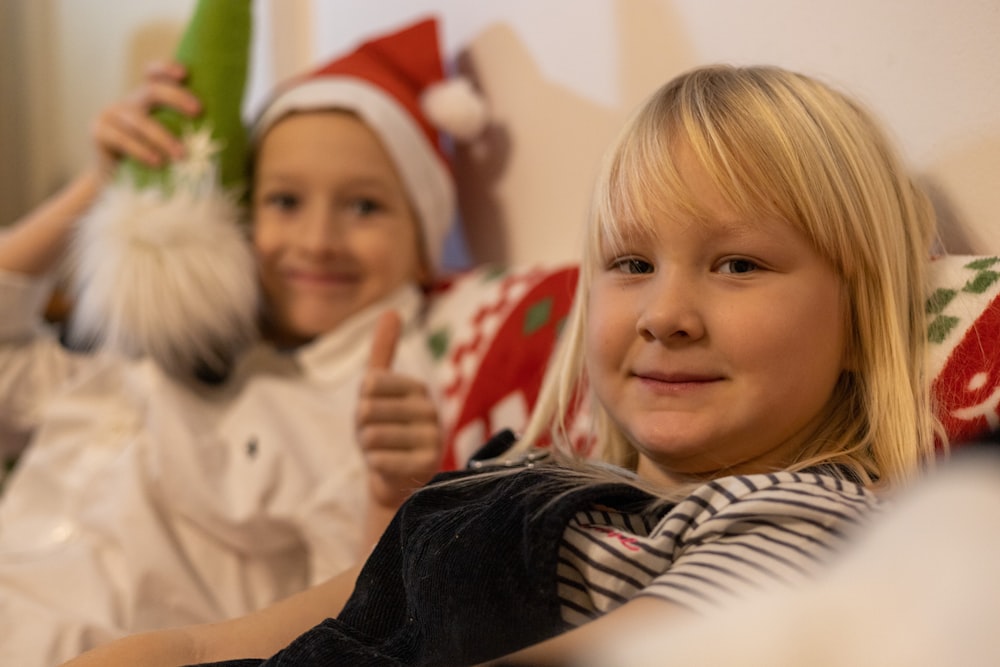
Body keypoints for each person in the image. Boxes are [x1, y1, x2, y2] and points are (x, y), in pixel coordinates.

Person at [61, 62, 940, 666]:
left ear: (861, 319)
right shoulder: (521, 480)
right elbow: (223, 642)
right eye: (631, 264)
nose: (666, 315)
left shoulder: (796, 517)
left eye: (739, 264)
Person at [0, 16, 486, 665]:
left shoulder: (375, 409)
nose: (317, 241)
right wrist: (99, 187)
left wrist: (390, 494)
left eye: (364, 206)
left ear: (425, 247)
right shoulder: (163, 348)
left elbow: (360, 616)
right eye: (284, 201)